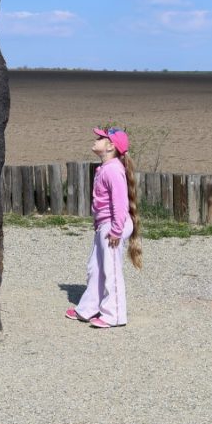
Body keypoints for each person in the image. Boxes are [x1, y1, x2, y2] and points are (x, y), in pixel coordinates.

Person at [65, 127, 142, 328]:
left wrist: (116, 229)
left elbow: (120, 203)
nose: (96, 139)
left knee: (111, 269)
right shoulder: (105, 168)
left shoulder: (113, 169)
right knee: (95, 268)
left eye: (100, 138)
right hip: (105, 226)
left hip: (114, 226)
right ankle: (89, 308)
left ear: (110, 146)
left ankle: (114, 314)